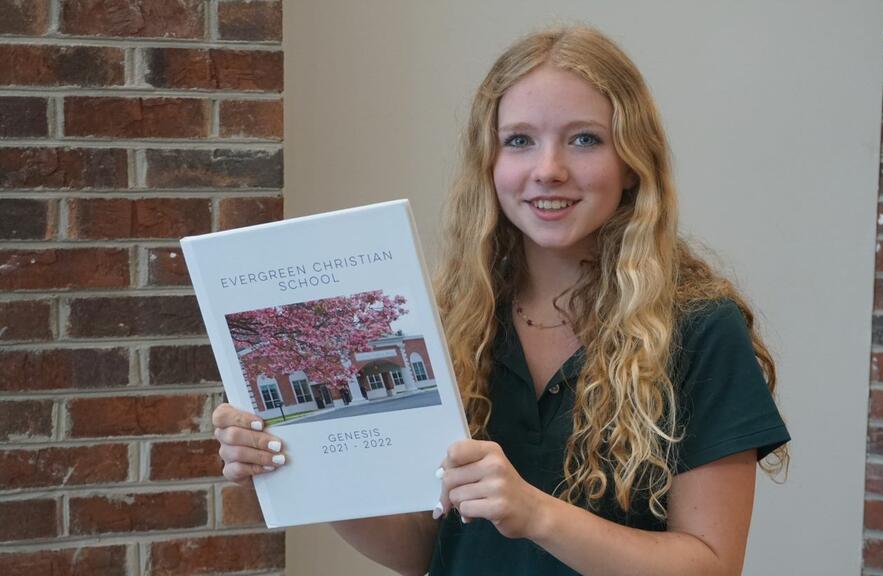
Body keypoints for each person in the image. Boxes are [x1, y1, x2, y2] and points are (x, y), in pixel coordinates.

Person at [213, 26, 790, 576]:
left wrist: (537, 515)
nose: (548, 170)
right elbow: (420, 551)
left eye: (584, 139)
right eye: (519, 141)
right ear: (489, 164)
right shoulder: (451, 319)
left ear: (633, 163)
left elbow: (713, 565)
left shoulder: (700, 327)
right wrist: (299, 462)